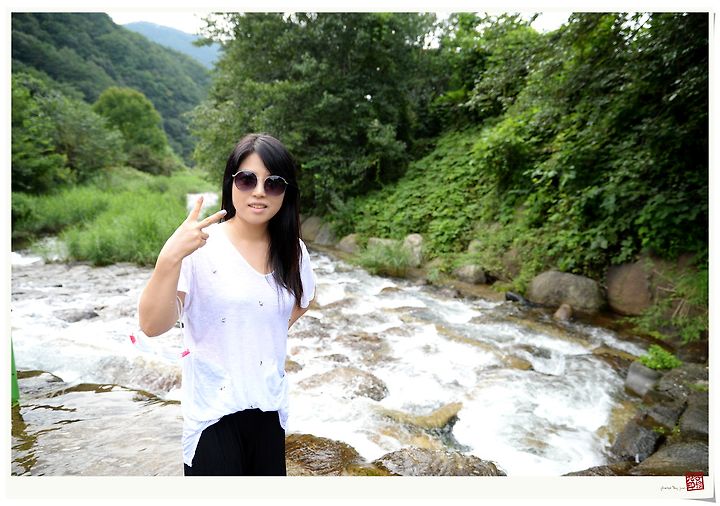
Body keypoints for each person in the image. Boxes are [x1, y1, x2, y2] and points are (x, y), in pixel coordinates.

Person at [138, 133, 316, 476]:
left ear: (286, 192)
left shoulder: (293, 251)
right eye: (247, 179)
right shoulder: (199, 247)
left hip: (269, 406)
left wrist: (257, 330)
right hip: (213, 414)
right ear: (231, 182)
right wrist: (169, 258)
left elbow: (303, 300)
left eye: (273, 183)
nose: (259, 191)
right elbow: (152, 325)